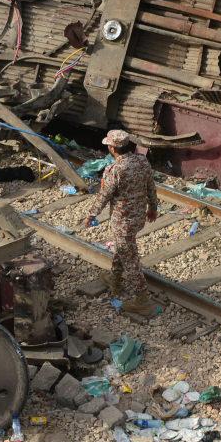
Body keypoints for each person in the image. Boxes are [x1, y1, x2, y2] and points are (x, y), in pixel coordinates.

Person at [85, 130, 159, 317]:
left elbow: (104, 195)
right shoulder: (142, 161)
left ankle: (143, 300)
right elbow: (150, 185)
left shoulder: (115, 170)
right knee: (122, 246)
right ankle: (115, 279)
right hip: (138, 218)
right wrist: (153, 207)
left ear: (113, 148)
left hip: (123, 221)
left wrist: (91, 214)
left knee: (131, 260)